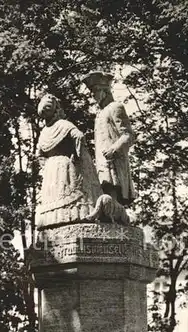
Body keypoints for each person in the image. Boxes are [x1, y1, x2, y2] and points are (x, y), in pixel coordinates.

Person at [36, 94, 101, 229]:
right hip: (61, 167)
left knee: (65, 197)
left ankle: (60, 220)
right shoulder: (61, 125)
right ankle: (65, 219)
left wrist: (45, 165)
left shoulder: (53, 128)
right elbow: (79, 136)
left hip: (54, 169)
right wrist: (77, 154)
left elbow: (39, 154)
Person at [81, 71, 136, 206]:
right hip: (101, 163)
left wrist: (114, 149)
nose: (93, 96)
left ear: (104, 91)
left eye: (94, 92)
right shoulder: (99, 114)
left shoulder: (115, 107)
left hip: (114, 161)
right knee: (104, 195)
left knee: (112, 196)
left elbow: (129, 135)